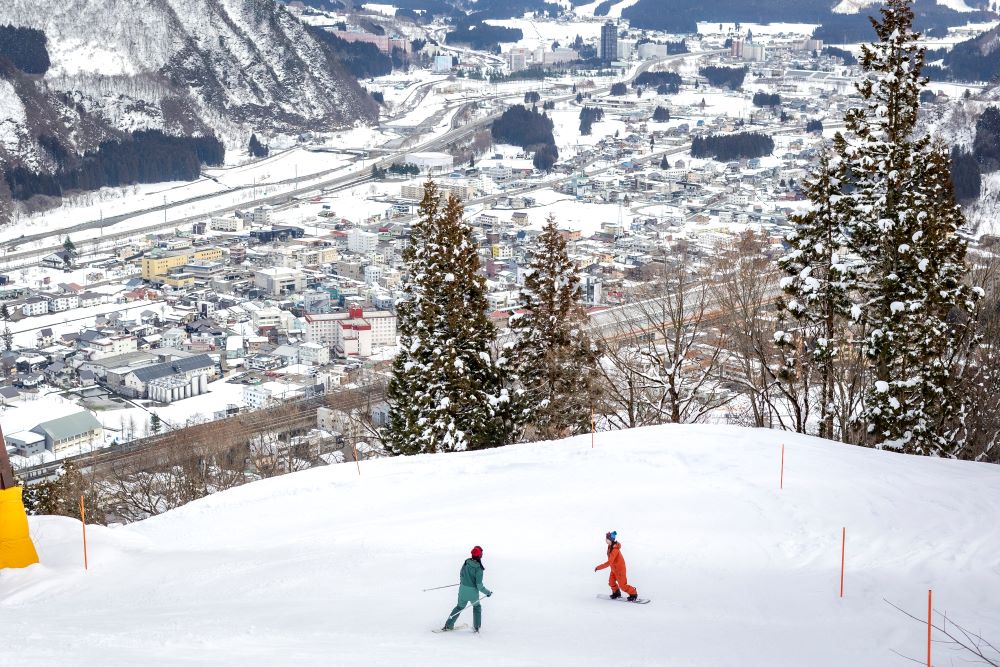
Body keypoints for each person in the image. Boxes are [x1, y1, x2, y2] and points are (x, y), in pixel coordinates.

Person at [442, 545, 492, 632]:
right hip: (473, 593)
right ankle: (476, 627)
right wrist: (488, 592)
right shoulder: (479, 569)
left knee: (459, 607)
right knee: (477, 607)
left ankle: (448, 625)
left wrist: (464, 582)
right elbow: (479, 586)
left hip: (463, 590)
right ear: (480, 555)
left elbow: (461, 574)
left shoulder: (466, 562)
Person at [594, 531, 638, 602]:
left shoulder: (615, 549)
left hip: (620, 569)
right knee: (611, 582)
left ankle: (633, 593)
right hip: (614, 569)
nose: (605, 540)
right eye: (606, 538)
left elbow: (609, 562)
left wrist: (599, 567)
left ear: (611, 540)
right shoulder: (610, 546)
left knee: (623, 586)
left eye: (607, 539)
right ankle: (616, 593)